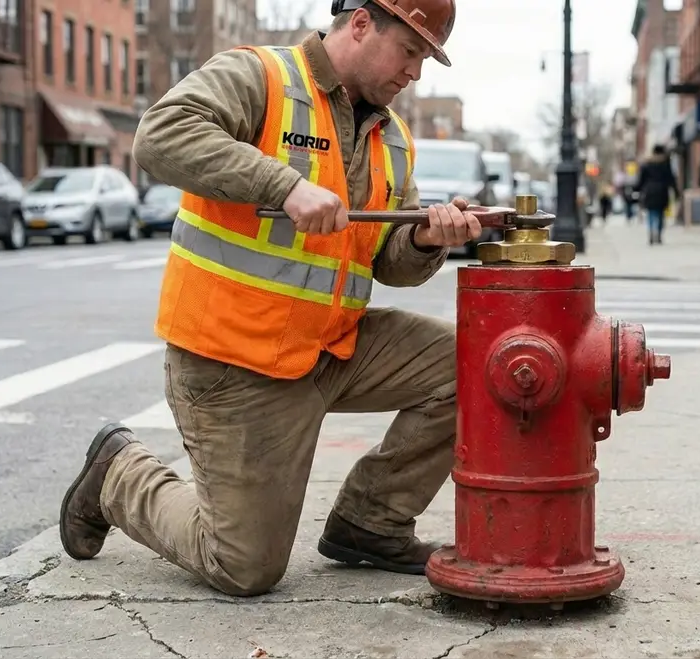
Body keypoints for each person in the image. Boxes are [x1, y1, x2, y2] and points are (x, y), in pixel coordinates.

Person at [57, 0, 480, 598]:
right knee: (244, 567)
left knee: (478, 363)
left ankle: (370, 522)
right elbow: (160, 135)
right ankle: (116, 474)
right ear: (360, 24)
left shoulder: (394, 137)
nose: (416, 72)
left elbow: (389, 264)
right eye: (411, 51)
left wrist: (423, 237)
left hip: (331, 347)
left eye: (425, 59)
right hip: (235, 363)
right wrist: (283, 185)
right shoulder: (260, 76)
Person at [633, 144, 681, 245]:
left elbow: (641, 179)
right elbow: (671, 179)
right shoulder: (665, 164)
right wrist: (676, 192)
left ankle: (651, 232)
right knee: (660, 213)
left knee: (650, 213)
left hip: (649, 191)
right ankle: (658, 233)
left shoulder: (646, 164)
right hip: (662, 191)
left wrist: (637, 189)